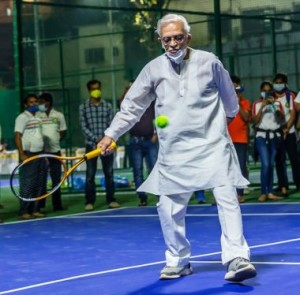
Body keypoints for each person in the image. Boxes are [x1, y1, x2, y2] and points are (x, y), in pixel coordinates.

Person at [97, 14, 256, 282]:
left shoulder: (209, 62)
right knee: (168, 208)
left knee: (227, 198)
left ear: (188, 38)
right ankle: (179, 259)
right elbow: (132, 107)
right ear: (160, 41)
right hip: (173, 151)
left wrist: (219, 124)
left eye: (178, 37)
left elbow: (230, 99)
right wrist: (110, 134)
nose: (173, 43)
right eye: (167, 39)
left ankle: (237, 258)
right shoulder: (152, 69)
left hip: (212, 146)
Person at [79, 79, 120, 210]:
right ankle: (89, 202)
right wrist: (96, 139)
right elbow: (83, 126)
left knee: (109, 173)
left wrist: (105, 140)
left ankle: (111, 200)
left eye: (98, 88)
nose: (96, 91)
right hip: (91, 145)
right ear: (89, 91)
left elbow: (112, 124)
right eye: (93, 89)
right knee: (90, 175)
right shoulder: (83, 107)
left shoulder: (107, 106)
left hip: (107, 146)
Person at [120, 83, 158, 206]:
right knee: (137, 171)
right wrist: (126, 90)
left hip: (150, 141)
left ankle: (161, 196)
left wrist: (156, 134)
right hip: (135, 142)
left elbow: (159, 114)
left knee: (154, 169)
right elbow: (121, 104)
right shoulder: (129, 104)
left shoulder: (151, 101)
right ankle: (142, 198)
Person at [14, 94, 45, 220]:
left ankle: (35, 209)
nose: (34, 104)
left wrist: (45, 154)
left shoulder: (38, 117)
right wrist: (22, 153)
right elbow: (17, 136)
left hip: (40, 153)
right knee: (28, 183)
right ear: (26, 105)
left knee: (39, 183)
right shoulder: (21, 118)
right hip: (28, 154)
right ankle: (24, 211)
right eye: (31, 102)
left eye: (35, 102)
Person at [252, 81, 284, 202]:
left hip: (274, 136)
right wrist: (263, 106)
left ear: (272, 92)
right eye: (264, 90)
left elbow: (282, 119)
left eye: (268, 91)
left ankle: (270, 192)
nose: (266, 93)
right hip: (261, 136)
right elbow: (255, 121)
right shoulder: (257, 103)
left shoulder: (277, 103)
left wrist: (273, 106)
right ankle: (263, 192)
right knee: (265, 164)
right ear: (261, 91)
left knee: (271, 164)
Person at [36, 92, 67, 211]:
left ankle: (57, 205)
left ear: (48, 102)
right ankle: (40, 205)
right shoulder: (37, 115)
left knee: (56, 179)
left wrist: (56, 139)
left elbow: (63, 130)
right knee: (41, 178)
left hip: (55, 151)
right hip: (41, 152)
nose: (40, 104)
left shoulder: (58, 115)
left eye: (41, 102)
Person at [273, 73, 300, 195]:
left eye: (280, 82)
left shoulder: (291, 95)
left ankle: (298, 183)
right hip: (276, 133)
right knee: (279, 160)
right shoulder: (271, 97)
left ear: (285, 83)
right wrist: (280, 129)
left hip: (290, 132)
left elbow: (293, 114)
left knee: (294, 159)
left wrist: (286, 128)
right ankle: (283, 185)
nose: (278, 85)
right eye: (276, 83)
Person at [228, 75, 251, 203]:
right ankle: (223, 195)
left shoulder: (245, 102)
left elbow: (247, 118)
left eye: (235, 85)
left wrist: (236, 101)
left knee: (240, 166)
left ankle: (239, 194)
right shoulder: (221, 101)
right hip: (224, 139)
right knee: (224, 168)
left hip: (240, 139)